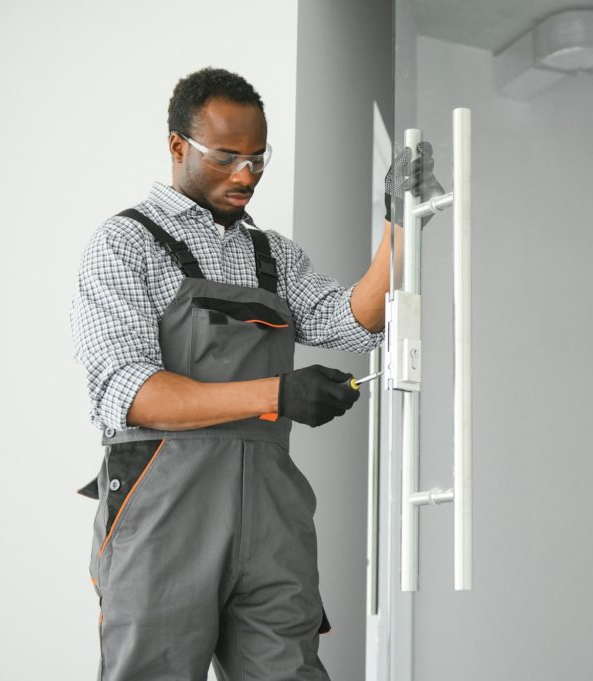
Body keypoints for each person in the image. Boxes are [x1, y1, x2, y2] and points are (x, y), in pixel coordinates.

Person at [71, 67, 438, 681]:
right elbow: (128, 391)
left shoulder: (273, 254)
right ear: (177, 146)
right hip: (162, 513)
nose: (247, 175)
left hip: (270, 514)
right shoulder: (125, 244)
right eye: (227, 157)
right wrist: (278, 393)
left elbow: (354, 322)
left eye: (259, 158)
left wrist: (402, 224)